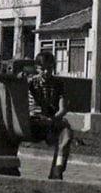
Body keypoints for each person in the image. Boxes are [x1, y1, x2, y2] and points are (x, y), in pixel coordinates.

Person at [27, 51, 73, 179]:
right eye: (43, 69)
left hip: (50, 121)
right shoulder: (30, 82)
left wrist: (51, 119)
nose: (47, 72)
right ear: (37, 68)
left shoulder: (58, 84)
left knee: (66, 132)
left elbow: (63, 108)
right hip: (33, 122)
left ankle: (58, 169)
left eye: (50, 69)